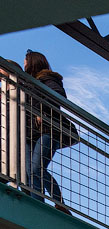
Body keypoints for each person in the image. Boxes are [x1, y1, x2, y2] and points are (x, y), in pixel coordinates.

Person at [23, 50, 75, 213]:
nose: (24, 63)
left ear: (32, 62)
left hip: (47, 129)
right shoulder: (27, 82)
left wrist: (41, 111)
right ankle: (51, 202)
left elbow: (58, 96)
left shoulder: (47, 79)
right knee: (30, 170)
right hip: (29, 132)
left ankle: (41, 206)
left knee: (36, 169)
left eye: (25, 60)